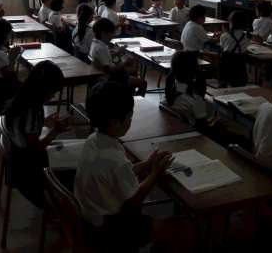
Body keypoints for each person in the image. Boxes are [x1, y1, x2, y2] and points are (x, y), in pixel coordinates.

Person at [75, 81, 194, 253]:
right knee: (180, 227)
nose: (131, 121)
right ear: (115, 123)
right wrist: (155, 173)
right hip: (110, 229)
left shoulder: (93, 140)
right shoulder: (114, 159)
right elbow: (134, 201)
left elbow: (119, 174)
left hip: (90, 218)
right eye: (129, 118)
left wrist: (146, 164)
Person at [4, 60, 68, 208]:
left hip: (17, 156)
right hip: (27, 168)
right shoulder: (32, 110)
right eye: (53, 92)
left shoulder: (22, 98)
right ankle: (53, 206)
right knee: (69, 168)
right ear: (43, 89)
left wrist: (44, 122)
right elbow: (35, 148)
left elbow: (24, 128)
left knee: (64, 151)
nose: (53, 96)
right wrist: (55, 132)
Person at [165, 51, 242, 147]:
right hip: (198, 140)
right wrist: (215, 125)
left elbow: (198, 121)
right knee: (242, 140)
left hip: (182, 134)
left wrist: (208, 121)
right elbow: (204, 130)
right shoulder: (196, 101)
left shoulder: (171, 91)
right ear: (194, 71)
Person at [90, 18, 146, 95]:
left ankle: (128, 94)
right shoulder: (101, 48)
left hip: (106, 75)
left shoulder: (96, 43)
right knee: (143, 83)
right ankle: (129, 97)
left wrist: (117, 53)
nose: (112, 36)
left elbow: (105, 60)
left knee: (132, 71)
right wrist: (125, 63)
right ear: (103, 33)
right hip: (110, 79)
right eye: (111, 33)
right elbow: (109, 70)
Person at [219, 11, 249, 87]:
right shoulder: (246, 36)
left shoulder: (224, 35)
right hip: (240, 64)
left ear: (231, 22)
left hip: (227, 64)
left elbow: (222, 48)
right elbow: (245, 48)